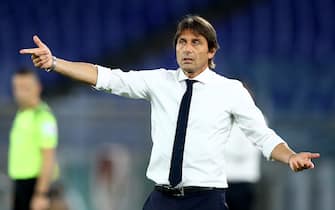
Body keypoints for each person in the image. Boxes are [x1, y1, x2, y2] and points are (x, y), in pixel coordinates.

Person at [20, 15, 320, 210]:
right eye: (182, 42)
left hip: (207, 200)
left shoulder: (230, 90)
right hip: (162, 199)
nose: (187, 49)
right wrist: (55, 62)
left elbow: (263, 137)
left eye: (196, 43)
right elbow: (106, 77)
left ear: (211, 51)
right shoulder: (159, 81)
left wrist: (290, 155)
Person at [9, 68, 58, 210]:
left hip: (35, 185)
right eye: (17, 88)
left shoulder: (43, 117)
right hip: (20, 183)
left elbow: (49, 156)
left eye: (25, 88)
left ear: (38, 88)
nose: (20, 93)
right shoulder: (22, 114)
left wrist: (41, 194)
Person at [224, 124, 261, 210]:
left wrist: (218, 147)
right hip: (222, 183)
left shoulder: (254, 119)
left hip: (243, 183)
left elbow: (244, 151)